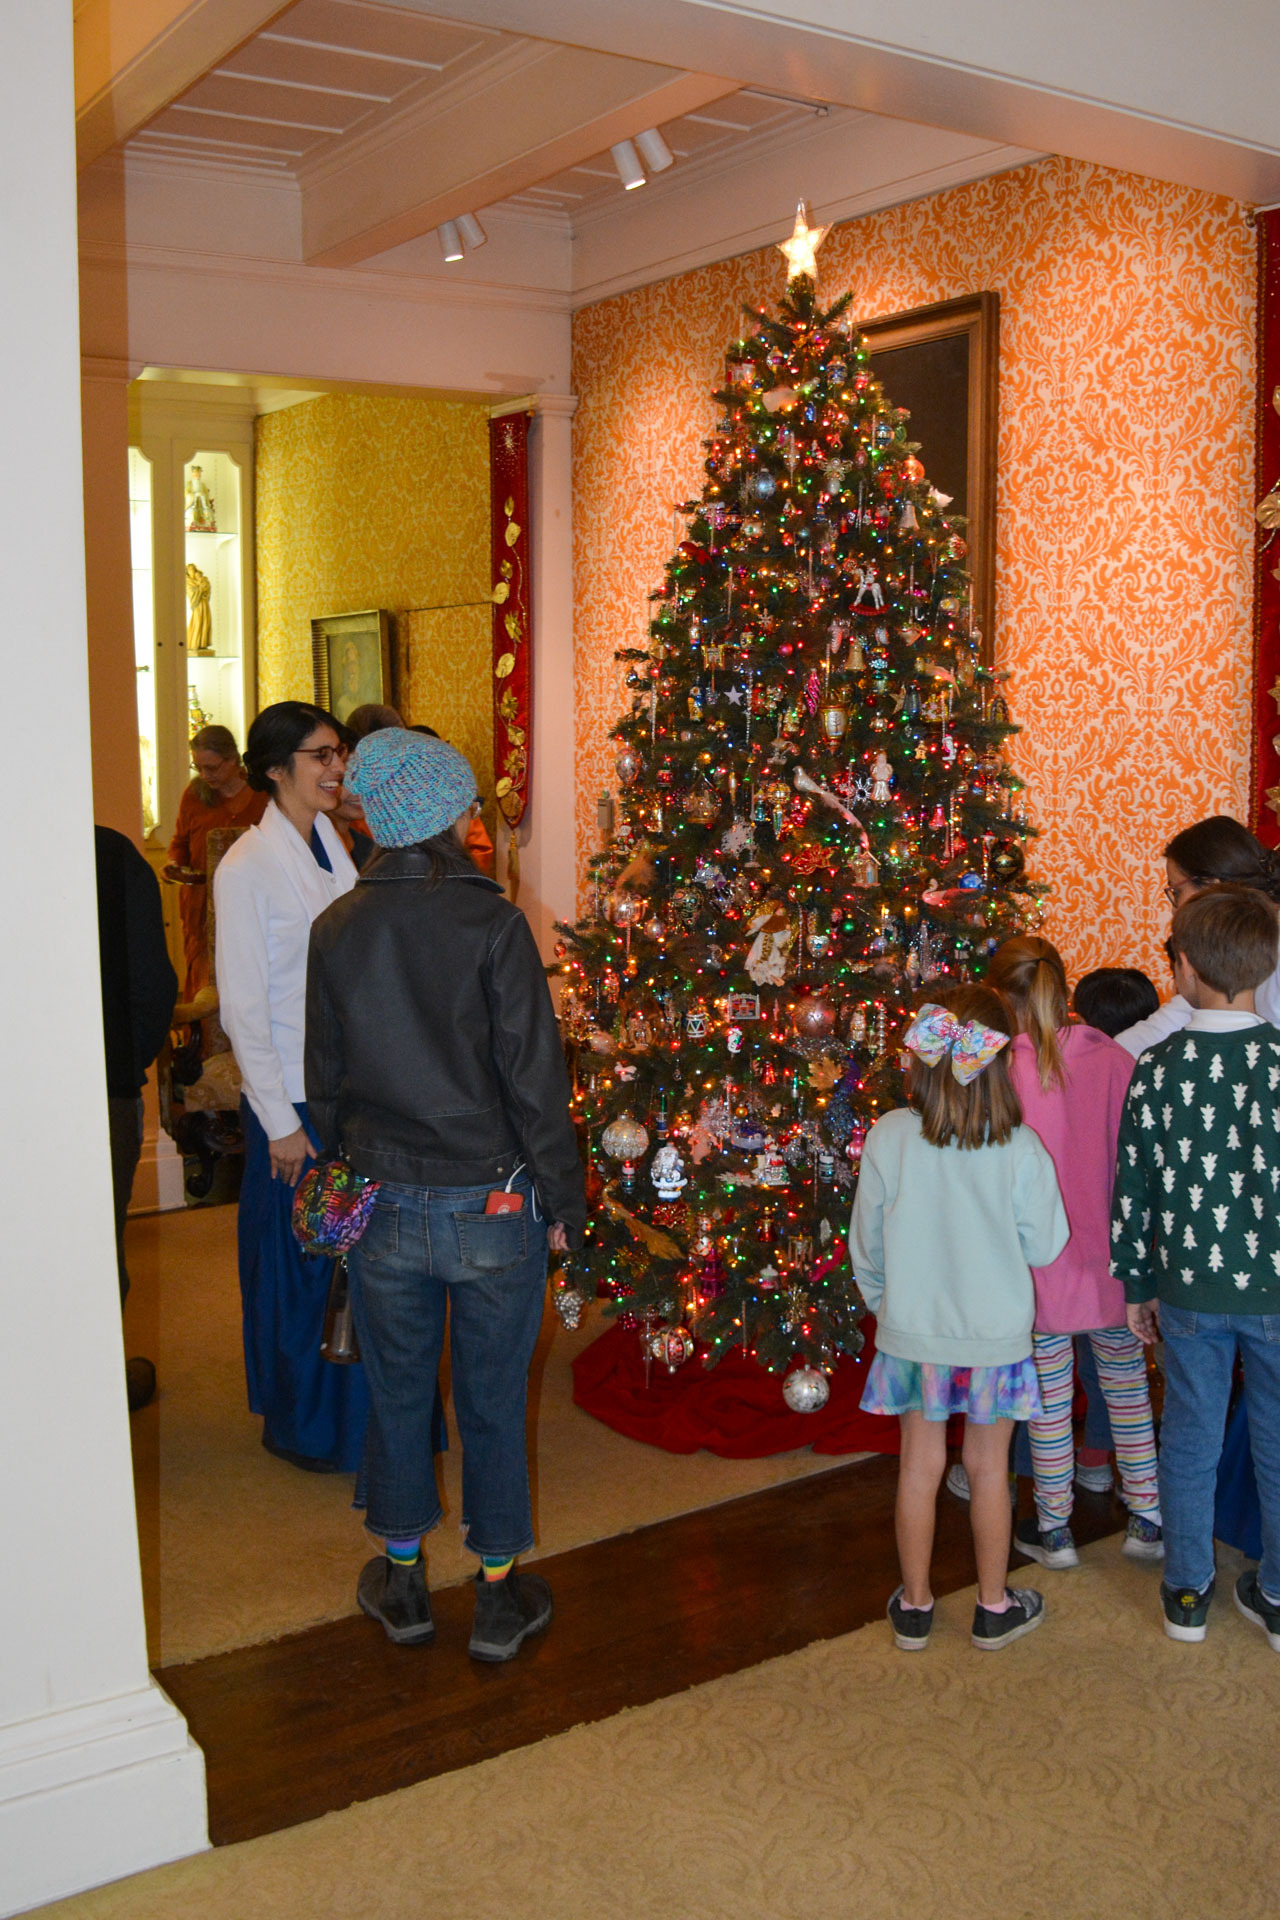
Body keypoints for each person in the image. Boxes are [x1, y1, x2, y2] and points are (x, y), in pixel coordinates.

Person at [306, 728, 586, 1662]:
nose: (477, 819)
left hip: (383, 1198)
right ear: (440, 815)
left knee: (397, 1394)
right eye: (468, 804)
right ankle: (498, 1596)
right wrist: (563, 1203)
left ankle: (403, 1582)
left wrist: (347, 1170)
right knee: (494, 1401)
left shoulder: (336, 928)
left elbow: (324, 1080)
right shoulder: (494, 925)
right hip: (493, 1204)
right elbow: (536, 1085)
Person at [849, 986, 1068, 1652]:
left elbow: (866, 1243)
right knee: (988, 1469)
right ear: (1003, 1060)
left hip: (913, 1332)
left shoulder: (889, 1135)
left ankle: (915, 1607)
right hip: (994, 1338)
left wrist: (885, 1305)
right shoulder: (1021, 1147)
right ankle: (994, 1606)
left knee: (918, 1467)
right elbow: (1046, 1246)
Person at [1113, 887, 1280, 1648]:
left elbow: (1134, 1189)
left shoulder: (1156, 1067)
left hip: (1187, 1290)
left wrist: (1135, 1285)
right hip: (1274, 1290)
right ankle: (1275, 1594)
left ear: (1183, 966)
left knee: (1188, 1434)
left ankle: (1186, 1591)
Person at [213, 702, 368, 1473]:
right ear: (278, 770)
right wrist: (278, 1123)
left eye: (339, 753)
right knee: (301, 1263)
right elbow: (243, 1007)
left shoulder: (334, 844)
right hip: (290, 1098)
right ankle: (308, 1426)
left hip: (343, 1086)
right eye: (321, 756)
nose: (337, 768)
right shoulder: (245, 867)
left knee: (352, 1259)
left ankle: (361, 1417)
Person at [987, 937, 1162, 1570]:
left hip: (1035, 1271)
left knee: (1048, 1400)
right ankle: (1148, 1516)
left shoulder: (998, 1069)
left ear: (999, 998)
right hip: (1113, 1264)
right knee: (1128, 1390)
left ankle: (1055, 1528)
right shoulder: (1113, 1058)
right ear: (1065, 988)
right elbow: (1140, 1162)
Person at [95, 826, 178, 1412]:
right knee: (100, 1243)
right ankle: (95, 1384)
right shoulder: (112, 854)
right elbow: (153, 983)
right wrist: (127, 1065)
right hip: (105, 1087)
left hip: (102, 1083)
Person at [1116, 816, 1280, 1057]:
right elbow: (1177, 1016)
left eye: (1177, 892)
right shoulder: (1227, 945)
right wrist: (1108, 1056)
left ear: (1211, 884)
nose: (1174, 909)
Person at [163, 726, 267, 995]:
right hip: (202, 908)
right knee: (204, 985)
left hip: (251, 901)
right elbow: (180, 842)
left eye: (212, 767)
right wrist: (174, 865)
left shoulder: (262, 794)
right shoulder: (194, 795)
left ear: (233, 759)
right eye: (198, 767)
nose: (205, 775)